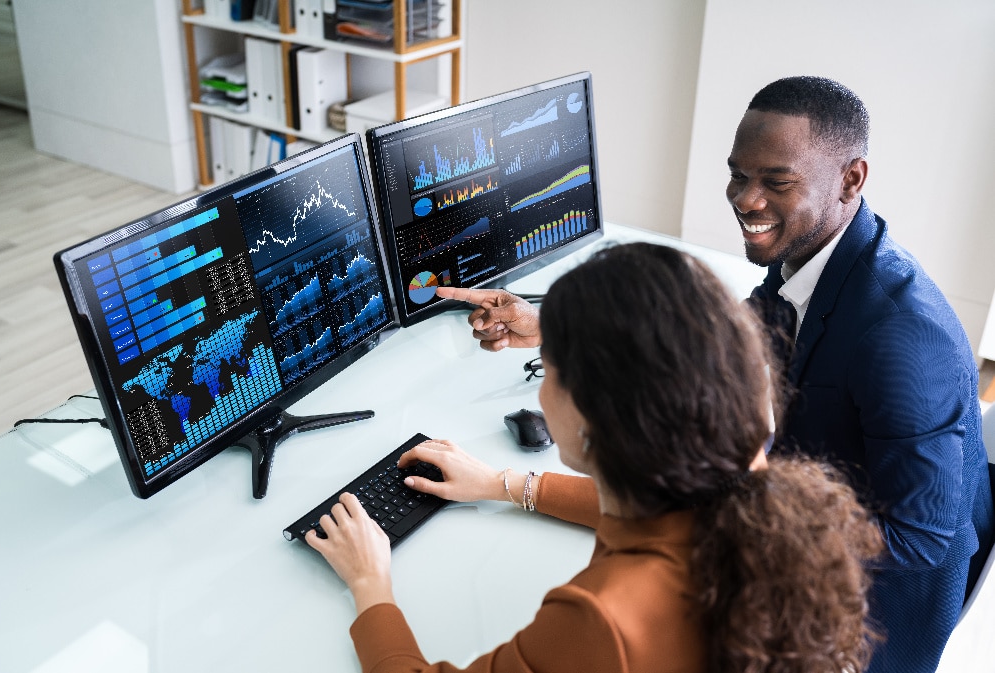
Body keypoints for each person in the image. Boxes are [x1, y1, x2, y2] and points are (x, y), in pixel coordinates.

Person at [438, 76, 995, 673]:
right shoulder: (813, 262)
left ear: (851, 179)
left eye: (776, 182)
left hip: (861, 627)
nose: (745, 200)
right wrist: (558, 325)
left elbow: (925, 540)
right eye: (738, 175)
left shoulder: (901, 338)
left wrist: (746, 520)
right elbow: (715, 338)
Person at [307, 243, 883, 673]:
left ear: (599, 416)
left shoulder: (601, 618)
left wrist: (370, 586)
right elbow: (666, 517)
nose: (539, 391)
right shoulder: (747, 471)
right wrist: (506, 484)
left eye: (551, 370)